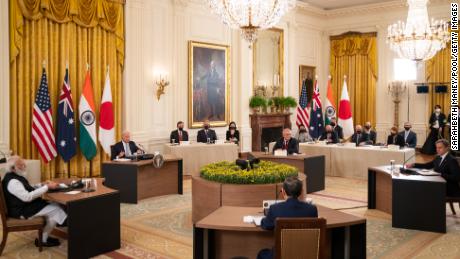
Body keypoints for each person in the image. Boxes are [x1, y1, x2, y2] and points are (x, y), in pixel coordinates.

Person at [2, 156, 67, 247]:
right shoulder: (13, 181)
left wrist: (42, 184)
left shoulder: (15, 176)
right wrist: (47, 187)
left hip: (23, 206)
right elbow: (27, 197)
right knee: (56, 209)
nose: (24, 165)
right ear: (13, 168)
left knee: (54, 206)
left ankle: (43, 239)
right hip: (21, 211)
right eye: (21, 164)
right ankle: (69, 224)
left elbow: (27, 187)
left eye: (23, 163)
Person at [257, 176, 318, 259]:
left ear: (283, 192)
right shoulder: (312, 209)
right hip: (305, 254)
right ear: (301, 191)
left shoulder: (275, 209)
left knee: (262, 254)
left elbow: (266, 225)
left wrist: (264, 219)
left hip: (281, 255)